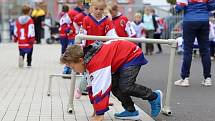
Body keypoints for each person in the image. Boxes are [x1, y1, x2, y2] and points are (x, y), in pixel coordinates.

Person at [60, 40, 163, 121]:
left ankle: (154, 96)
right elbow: (92, 87)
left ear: (80, 60)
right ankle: (131, 111)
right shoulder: (87, 62)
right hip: (119, 59)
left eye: (73, 67)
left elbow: (101, 88)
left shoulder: (96, 62)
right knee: (115, 86)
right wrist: (96, 108)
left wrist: (100, 114)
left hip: (131, 55)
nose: (74, 70)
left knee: (126, 86)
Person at [174, 0, 215, 87]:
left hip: (189, 20)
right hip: (204, 20)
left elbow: (179, 8)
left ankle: (185, 78)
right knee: (205, 50)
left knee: (188, 50)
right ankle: (207, 78)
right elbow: (212, 6)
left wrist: (177, 7)